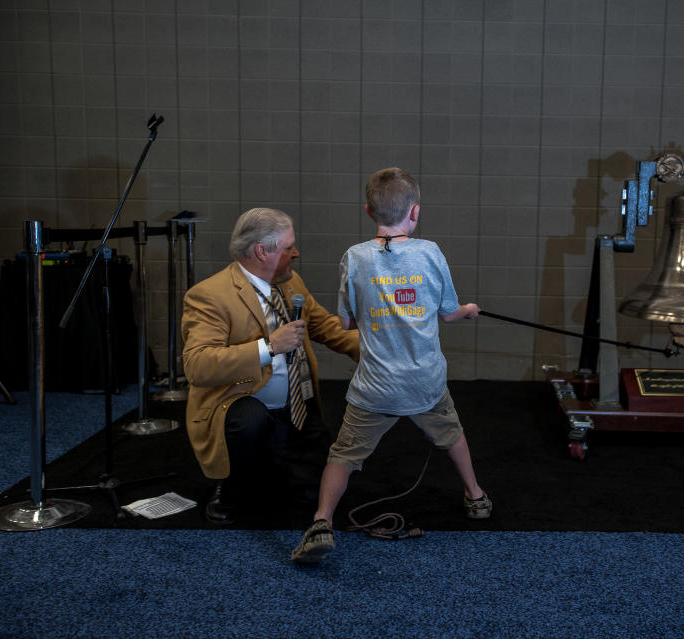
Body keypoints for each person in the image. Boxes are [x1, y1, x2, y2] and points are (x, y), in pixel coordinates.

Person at [291, 167, 490, 564]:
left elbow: (345, 323)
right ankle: (476, 496)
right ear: (414, 212)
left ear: (368, 211)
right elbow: (449, 314)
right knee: (451, 434)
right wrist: (468, 310)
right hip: (425, 384)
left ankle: (320, 521)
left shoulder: (354, 257)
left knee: (343, 454)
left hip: (375, 387)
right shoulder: (431, 252)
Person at [181, 207, 359, 524]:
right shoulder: (209, 296)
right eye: (289, 247)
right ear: (262, 251)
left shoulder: (291, 283)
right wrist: (269, 347)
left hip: (295, 404)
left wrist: (385, 352)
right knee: (249, 423)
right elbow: (198, 365)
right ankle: (230, 485)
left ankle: (269, 464)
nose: (297, 252)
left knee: (314, 495)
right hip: (240, 404)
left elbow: (327, 328)